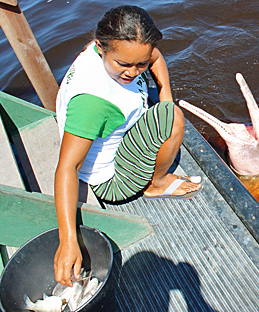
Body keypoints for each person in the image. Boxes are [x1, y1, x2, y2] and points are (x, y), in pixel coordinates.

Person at [54, 5, 202, 286]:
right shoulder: (94, 103)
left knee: (165, 105)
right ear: (101, 47)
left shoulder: (107, 49)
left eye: (140, 64)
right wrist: (68, 240)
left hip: (105, 132)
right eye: (123, 65)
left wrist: (165, 92)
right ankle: (155, 184)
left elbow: (154, 55)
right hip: (111, 181)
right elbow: (67, 168)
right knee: (172, 118)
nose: (133, 72)